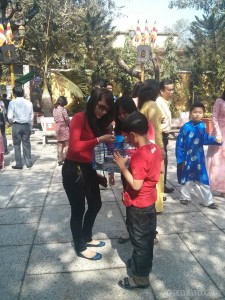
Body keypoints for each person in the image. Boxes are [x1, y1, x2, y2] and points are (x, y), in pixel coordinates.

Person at [62, 88, 115, 260]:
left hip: (87, 168)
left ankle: (86, 235)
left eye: (106, 109)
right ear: (93, 102)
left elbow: (95, 151)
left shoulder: (96, 122)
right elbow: (75, 146)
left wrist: (101, 172)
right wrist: (99, 139)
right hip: (73, 169)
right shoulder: (79, 117)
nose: (102, 111)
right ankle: (80, 246)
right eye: (100, 106)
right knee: (78, 210)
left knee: (95, 204)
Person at [113, 111, 162, 290]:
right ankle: (138, 264)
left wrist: (122, 167)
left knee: (140, 242)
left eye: (127, 136)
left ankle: (140, 278)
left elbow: (135, 185)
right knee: (145, 239)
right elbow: (156, 171)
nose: (127, 140)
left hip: (139, 206)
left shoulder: (140, 155)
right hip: (149, 204)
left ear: (133, 135)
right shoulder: (154, 148)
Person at [176, 102, 222, 208]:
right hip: (187, 158)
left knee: (203, 178)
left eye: (200, 112)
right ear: (190, 113)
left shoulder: (202, 126)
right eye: (195, 112)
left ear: (203, 114)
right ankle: (185, 197)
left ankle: (207, 201)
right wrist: (180, 158)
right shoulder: (185, 127)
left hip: (199, 159)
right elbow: (180, 144)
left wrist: (215, 140)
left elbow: (204, 139)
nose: (197, 114)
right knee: (186, 178)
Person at [138, 80, 166, 213]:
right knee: (158, 175)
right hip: (154, 146)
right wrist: (161, 148)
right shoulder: (153, 105)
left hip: (145, 145)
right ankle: (157, 205)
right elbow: (156, 129)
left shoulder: (143, 105)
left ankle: (150, 203)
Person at [7, 86, 33, 169]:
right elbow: (31, 117)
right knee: (27, 144)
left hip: (16, 125)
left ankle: (19, 164)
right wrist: (30, 127)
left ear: (14, 94)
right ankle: (28, 162)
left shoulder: (12, 103)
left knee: (16, 145)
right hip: (26, 125)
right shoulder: (29, 103)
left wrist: (12, 121)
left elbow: (10, 117)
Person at [156, 79, 175, 193]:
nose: (171, 92)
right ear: (161, 91)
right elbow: (157, 124)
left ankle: (162, 184)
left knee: (164, 161)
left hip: (165, 135)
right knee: (161, 161)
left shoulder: (165, 103)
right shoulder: (159, 103)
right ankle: (160, 186)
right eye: (169, 90)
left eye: (173, 90)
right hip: (160, 135)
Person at [207, 90, 225, 198]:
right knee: (216, 159)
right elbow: (214, 117)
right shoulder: (219, 101)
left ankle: (223, 189)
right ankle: (211, 185)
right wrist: (218, 133)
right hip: (220, 132)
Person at [53, 96, 70, 166]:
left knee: (59, 144)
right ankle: (66, 158)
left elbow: (54, 118)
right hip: (64, 127)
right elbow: (66, 119)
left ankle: (59, 159)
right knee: (66, 144)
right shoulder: (63, 110)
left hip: (57, 127)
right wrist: (69, 123)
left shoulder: (55, 109)